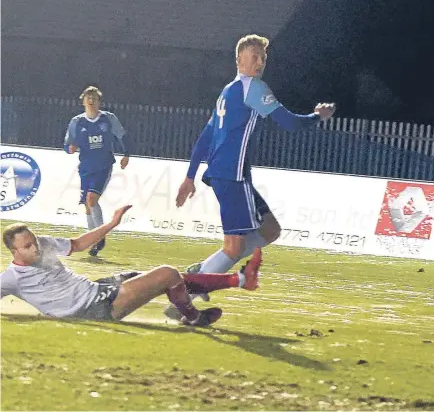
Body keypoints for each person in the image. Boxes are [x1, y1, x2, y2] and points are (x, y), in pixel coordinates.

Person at [173, 34, 335, 303]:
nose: (260, 62)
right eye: (254, 56)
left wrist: (190, 176)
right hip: (231, 175)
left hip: (229, 175)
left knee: (270, 230)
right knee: (234, 247)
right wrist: (318, 116)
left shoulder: (228, 91)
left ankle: (201, 274)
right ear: (239, 60)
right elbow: (291, 124)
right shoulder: (254, 88)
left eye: (263, 57)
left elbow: (205, 136)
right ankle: (190, 290)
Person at [1, 205, 262, 326]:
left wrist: (111, 224)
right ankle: (194, 317)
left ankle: (239, 281)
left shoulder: (45, 243)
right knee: (167, 274)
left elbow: (78, 244)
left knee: (165, 278)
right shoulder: (12, 278)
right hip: (92, 309)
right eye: (26, 247)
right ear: (14, 251)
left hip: (97, 290)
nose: (34, 247)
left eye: (33, 242)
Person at [63, 86, 134, 257]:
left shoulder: (108, 119)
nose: (91, 100)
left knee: (91, 199)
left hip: (103, 166)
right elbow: (67, 143)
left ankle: (100, 237)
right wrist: (70, 148)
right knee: (88, 206)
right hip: (85, 167)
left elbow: (123, 136)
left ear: (99, 101)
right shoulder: (77, 122)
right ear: (83, 101)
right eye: (88, 97)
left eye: (94, 98)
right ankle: (93, 240)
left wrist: (126, 154)